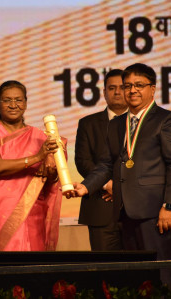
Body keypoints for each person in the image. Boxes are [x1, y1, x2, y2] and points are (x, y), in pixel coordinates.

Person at [66, 63, 171, 286]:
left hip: (156, 212)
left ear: (152, 88)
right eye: (128, 85)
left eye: (139, 85)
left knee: (162, 277)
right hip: (125, 213)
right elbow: (106, 163)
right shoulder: (118, 123)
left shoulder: (167, 119)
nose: (132, 90)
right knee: (135, 280)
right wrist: (86, 187)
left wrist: (170, 206)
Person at [0, 80, 63, 251]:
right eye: (7, 100)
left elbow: (49, 179)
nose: (13, 105)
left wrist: (53, 171)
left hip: (31, 210)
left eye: (18, 100)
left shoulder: (38, 136)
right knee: (1, 266)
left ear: (26, 103)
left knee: (31, 267)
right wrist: (36, 157)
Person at [75, 69, 127, 251]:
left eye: (122, 87)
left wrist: (121, 187)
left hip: (135, 211)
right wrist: (107, 184)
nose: (117, 92)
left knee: (139, 271)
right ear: (104, 92)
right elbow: (83, 161)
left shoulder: (142, 122)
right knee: (105, 270)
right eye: (112, 88)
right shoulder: (87, 123)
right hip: (100, 205)